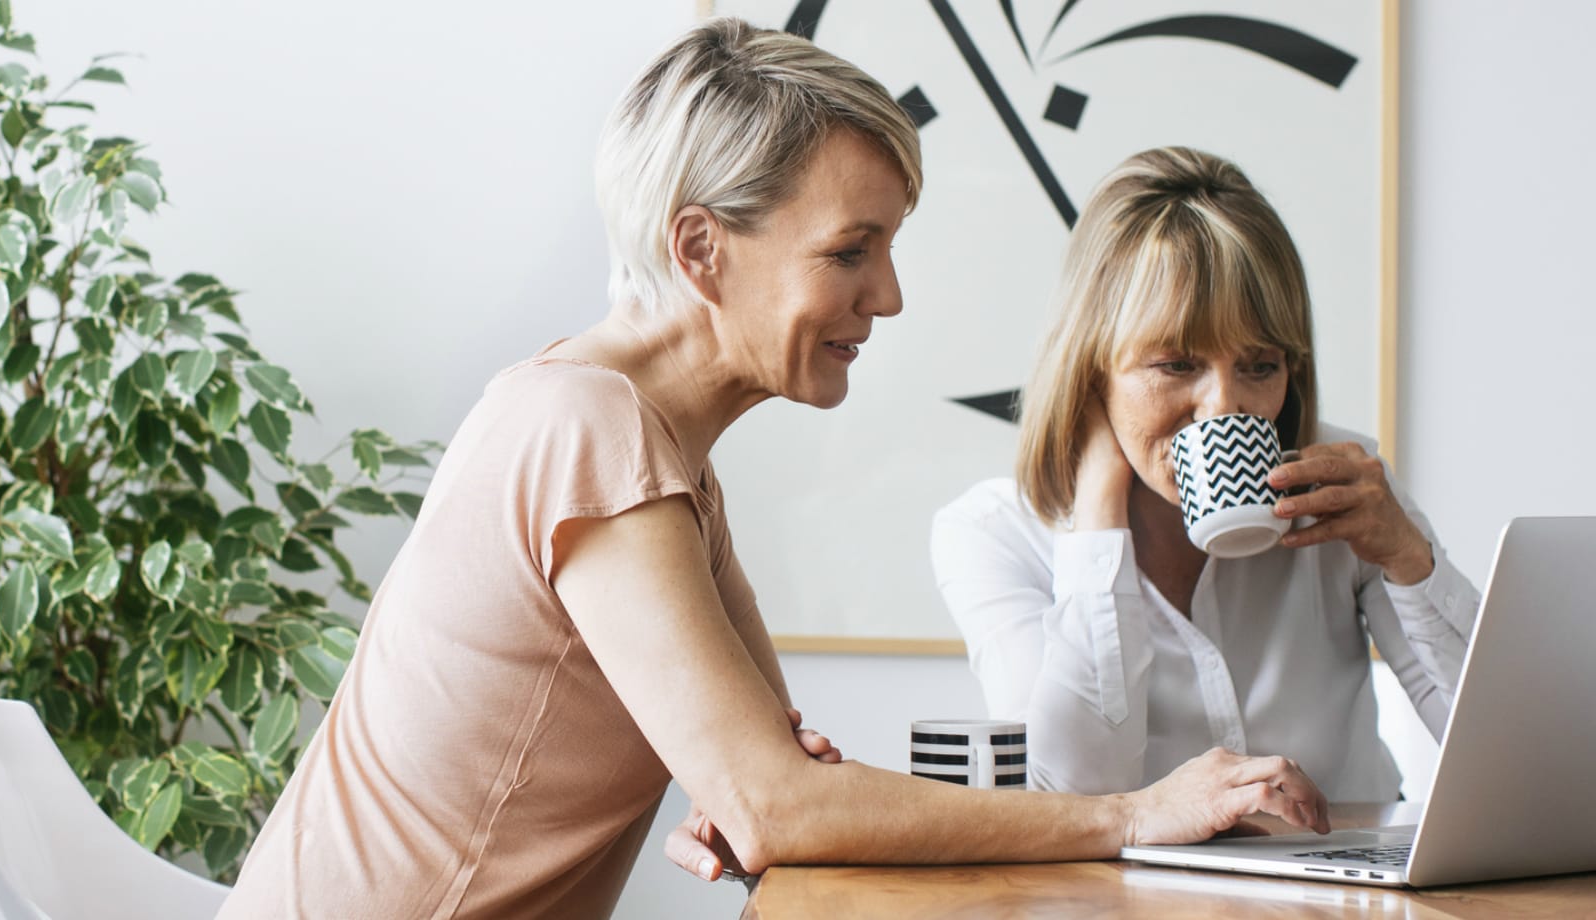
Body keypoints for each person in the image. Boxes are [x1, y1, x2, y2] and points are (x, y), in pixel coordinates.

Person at [219, 26, 1328, 920]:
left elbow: (778, 779)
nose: (887, 296)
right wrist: (1135, 811)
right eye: (850, 251)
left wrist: (771, 792)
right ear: (702, 248)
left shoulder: (665, 465)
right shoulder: (585, 430)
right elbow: (778, 802)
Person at [930, 147, 1481, 804]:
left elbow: (1503, 752)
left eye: (1259, 366)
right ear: (1092, 370)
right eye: (1175, 364)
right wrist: (1099, 507)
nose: (1225, 406)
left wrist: (1409, 559)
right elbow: (1070, 792)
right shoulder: (994, 533)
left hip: (1344, 891)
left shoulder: (1346, 492)